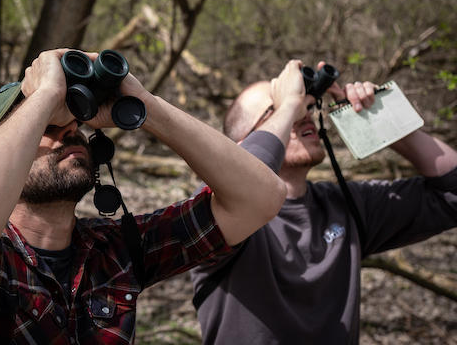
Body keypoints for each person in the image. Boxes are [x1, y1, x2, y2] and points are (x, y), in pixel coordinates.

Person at [0, 48, 287, 344]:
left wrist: (146, 106)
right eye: (45, 124)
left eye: (73, 121)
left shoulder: (115, 250)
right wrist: (43, 95)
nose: (69, 131)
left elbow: (261, 196)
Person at [190, 59, 457, 344]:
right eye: (275, 109)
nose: (302, 113)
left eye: (303, 105)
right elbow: (233, 183)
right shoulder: (223, 211)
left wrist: (378, 117)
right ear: (242, 145)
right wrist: (289, 105)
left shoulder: (346, 206)